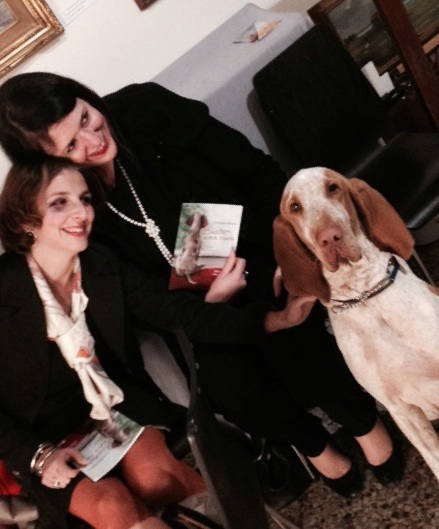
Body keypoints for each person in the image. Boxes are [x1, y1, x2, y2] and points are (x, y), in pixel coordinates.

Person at [0, 73, 403, 496]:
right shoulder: (74, 211)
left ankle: (364, 424)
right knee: (230, 386)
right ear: (47, 164)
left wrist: (288, 250)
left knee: (290, 330)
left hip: (260, 255)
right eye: (70, 146)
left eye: (86, 117)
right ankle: (316, 446)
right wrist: (212, 300)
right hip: (192, 308)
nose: (92, 140)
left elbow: (257, 173)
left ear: (88, 98)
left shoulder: (146, 111)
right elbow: (138, 303)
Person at [0, 160, 210, 529]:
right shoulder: (4, 291)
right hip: (43, 438)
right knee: (111, 505)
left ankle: (232, 513)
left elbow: (169, 309)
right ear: (24, 220)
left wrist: (265, 318)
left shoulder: (99, 261)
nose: (81, 213)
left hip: (115, 405)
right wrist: (39, 456)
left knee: (155, 478)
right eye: (60, 203)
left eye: (84, 199)